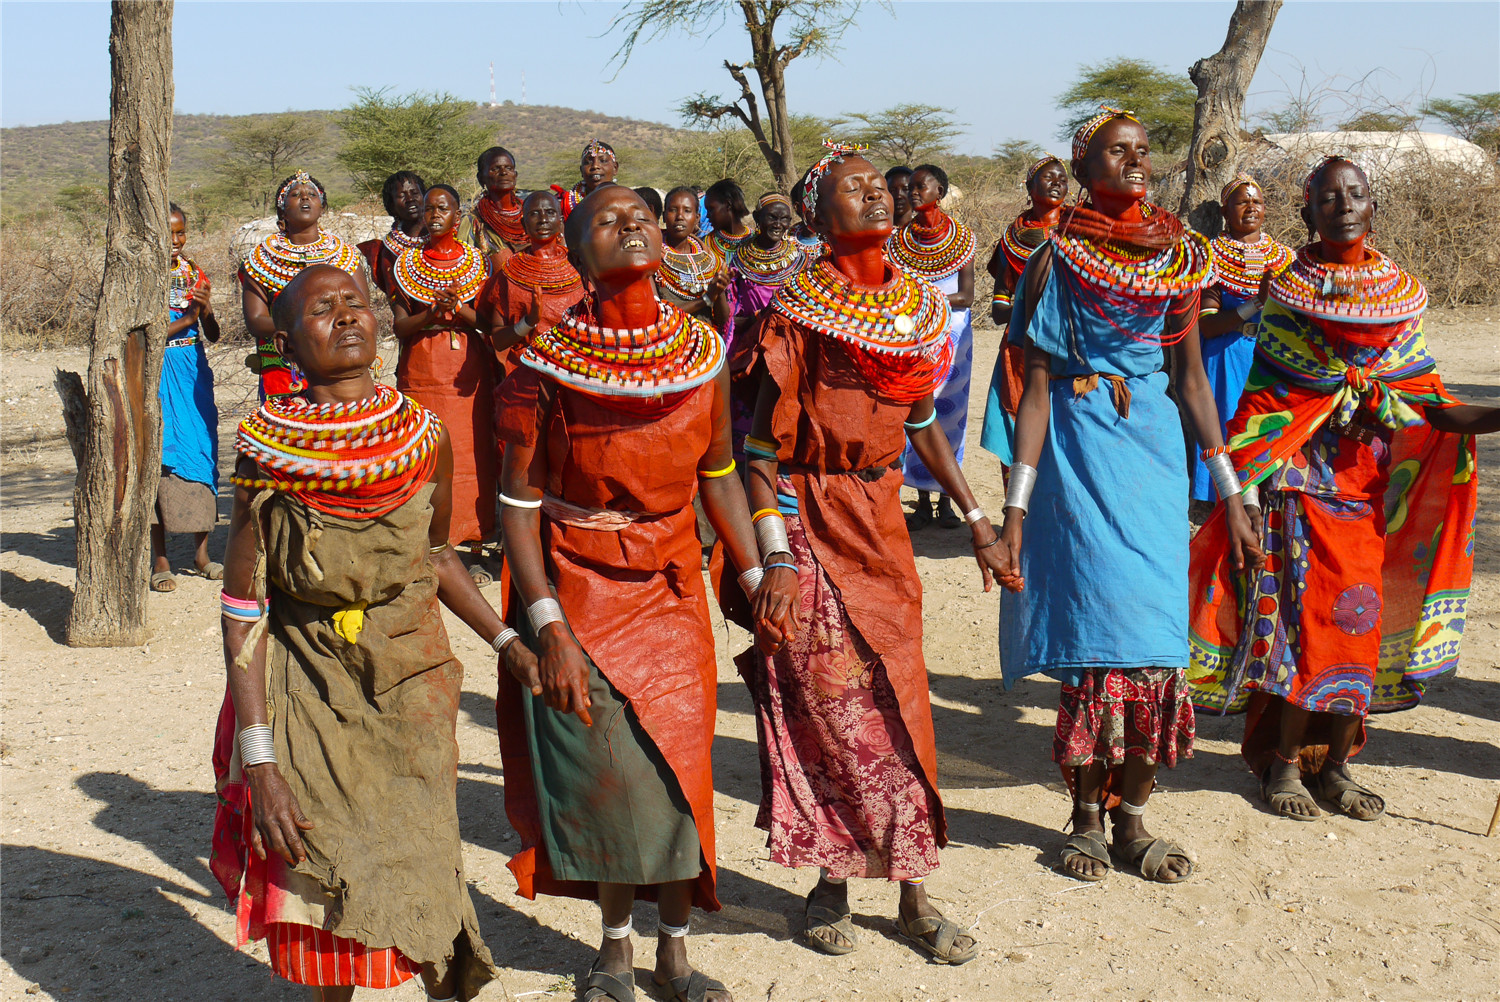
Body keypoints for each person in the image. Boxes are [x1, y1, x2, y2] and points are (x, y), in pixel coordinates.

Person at [494, 184, 792, 1002]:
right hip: (579, 587)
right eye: (607, 220)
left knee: (680, 768)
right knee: (610, 774)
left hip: (670, 585)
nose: (632, 227)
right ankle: (614, 951)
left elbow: (721, 474)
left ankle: (676, 955)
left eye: (644, 217)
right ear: (576, 250)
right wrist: (545, 620)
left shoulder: (702, 350)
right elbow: (515, 508)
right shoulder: (542, 369)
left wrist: (762, 572)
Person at [211, 263, 510, 1001]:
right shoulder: (264, 451)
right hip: (308, 682)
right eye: (322, 310)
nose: (346, 317)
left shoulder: (423, 435)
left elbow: (438, 554)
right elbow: (244, 606)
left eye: (356, 304)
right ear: (284, 339)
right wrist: (260, 761)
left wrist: (508, 643)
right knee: (325, 876)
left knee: (424, 854)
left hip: (412, 678)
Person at [739, 142, 1004, 965]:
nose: (875, 197)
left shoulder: (916, 312)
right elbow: (755, 451)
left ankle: (915, 893)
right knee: (825, 707)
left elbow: (921, 420)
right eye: (851, 190)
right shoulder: (794, 315)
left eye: (876, 185)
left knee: (900, 700)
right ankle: (830, 883)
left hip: (882, 520)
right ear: (819, 217)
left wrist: (974, 516)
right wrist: (776, 556)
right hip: (809, 517)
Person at [992, 108, 1262, 884]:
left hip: (1150, 455)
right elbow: (1035, 390)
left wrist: (1230, 488)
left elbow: (1189, 382)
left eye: (1144, 150)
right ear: (1084, 166)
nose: (1137, 161)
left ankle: (1134, 816)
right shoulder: (1055, 257)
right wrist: (1015, 512)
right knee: (1096, 638)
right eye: (1118, 151)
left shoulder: (1179, 253)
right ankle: (1083, 816)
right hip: (1078, 450)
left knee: (1153, 639)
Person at [1188, 156, 1500, 823]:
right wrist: (1242, 490)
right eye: (1329, 197)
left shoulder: (1398, 299)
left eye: (1356, 193)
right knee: (1307, 630)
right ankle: (1283, 765)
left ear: (1372, 205)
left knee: (1356, 625)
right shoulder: (1288, 297)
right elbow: (1268, 406)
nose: (1344, 205)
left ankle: (1335, 765)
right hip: (1295, 491)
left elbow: (1437, 406)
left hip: (1367, 496)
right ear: (1308, 211)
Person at [390, 185, 496, 584]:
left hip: (467, 368)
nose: (435, 214)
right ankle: (425, 546)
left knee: (471, 455)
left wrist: (460, 310)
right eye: (430, 208)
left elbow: (488, 322)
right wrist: (431, 313)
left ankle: (475, 547)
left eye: (443, 208)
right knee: (423, 452)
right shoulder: (404, 265)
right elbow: (400, 326)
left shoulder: (478, 264)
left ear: (458, 216)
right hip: (422, 365)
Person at [1187, 174, 1294, 522]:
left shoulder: (1285, 257)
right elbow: (1207, 324)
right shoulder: (1211, 256)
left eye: (1257, 201)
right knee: (1228, 423)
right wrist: (1254, 304)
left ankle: (1271, 492)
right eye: (1241, 201)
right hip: (1226, 355)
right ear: (1225, 211)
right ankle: (1228, 501)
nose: (1251, 207)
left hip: (1273, 354)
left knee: (1271, 421)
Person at [887, 164, 977, 530]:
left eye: (920, 186)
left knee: (950, 416)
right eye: (909, 187)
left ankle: (946, 501)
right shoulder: (899, 242)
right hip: (915, 337)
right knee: (916, 413)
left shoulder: (962, 238)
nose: (911, 192)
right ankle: (922, 501)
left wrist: (925, 297)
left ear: (939, 191)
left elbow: (968, 295)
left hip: (954, 339)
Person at [240, 171, 367, 398]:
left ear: (322, 207)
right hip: (284, 369)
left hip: (340, 365)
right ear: (282, 210)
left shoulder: (346, 255)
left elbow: (362, 309)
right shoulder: (260, 260)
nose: (305, 198)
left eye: (312, 194)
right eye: (295, 194)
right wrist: (305, 329)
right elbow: (255, 321)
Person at [977, 155, 1068, 467]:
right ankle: (1019, 509)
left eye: (1062, 178)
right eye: (1048, 178)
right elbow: (999, 308)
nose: (1057, 183)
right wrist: (1029, 304)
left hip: (1072, 345)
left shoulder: (1081, 230)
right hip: (1020, 348)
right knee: (1019, 426)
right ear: (1030, 187)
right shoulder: (1011, 240)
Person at [152, 203, 223, 592]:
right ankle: (160, 560)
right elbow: (146, 333)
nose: (176, 241)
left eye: (181, 233)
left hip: (192, 371)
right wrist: (189, 318)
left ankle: (201, 555)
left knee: (200, 452)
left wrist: (205, 309)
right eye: (169, 233)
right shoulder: (141, 276)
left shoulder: (194, 273)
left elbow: (211, 334)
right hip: (155, 372)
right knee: (159, 457)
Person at [479, 189, 586, 378]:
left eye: (550, 212)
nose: (543, 219)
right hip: (528, 371)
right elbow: (499, 341)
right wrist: (528, 323)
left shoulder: (580, 265)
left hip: (578, 369)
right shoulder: (510, 274)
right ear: (524, 224)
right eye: (534, 213)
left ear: (561, 221)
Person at [657, 186, 729, 323]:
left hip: (705, 340)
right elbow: (659, 313)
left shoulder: (712, 262)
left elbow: (722, 320)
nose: (679, 217)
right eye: (673, 210)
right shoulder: (651, 257)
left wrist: (718, 292)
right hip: (668, 341)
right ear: (664, 216)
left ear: (696, 218)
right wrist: (705, 299)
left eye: (687, 211)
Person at [357, 170, 426, 300]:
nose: (410, 199)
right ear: (391, 205)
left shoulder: (443, 236)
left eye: (415, 193)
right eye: (402, 196)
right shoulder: (386, 251)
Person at [460, 146, 527, 270]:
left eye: (509, 168)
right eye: (495, 169)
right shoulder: (474, 223)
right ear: (481, 179)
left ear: (515, 175)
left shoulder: (532, 213)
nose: (503, 173)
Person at [552, 139, 618, 219]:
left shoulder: (628, 200)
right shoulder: (561, 204)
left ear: (615, 168)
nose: (595, 166)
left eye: (603, 161)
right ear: (581, 170)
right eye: (588, 162)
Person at [703, 179, 753, 265]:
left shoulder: (755, 242)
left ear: (728, 205)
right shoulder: (705, 244)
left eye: (711, 209)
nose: (707, 215)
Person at [884, 165, 916, 229]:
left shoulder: (925, 232)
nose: (898, 196)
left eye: (905, 189)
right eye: (892, 190)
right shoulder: (878, 233)